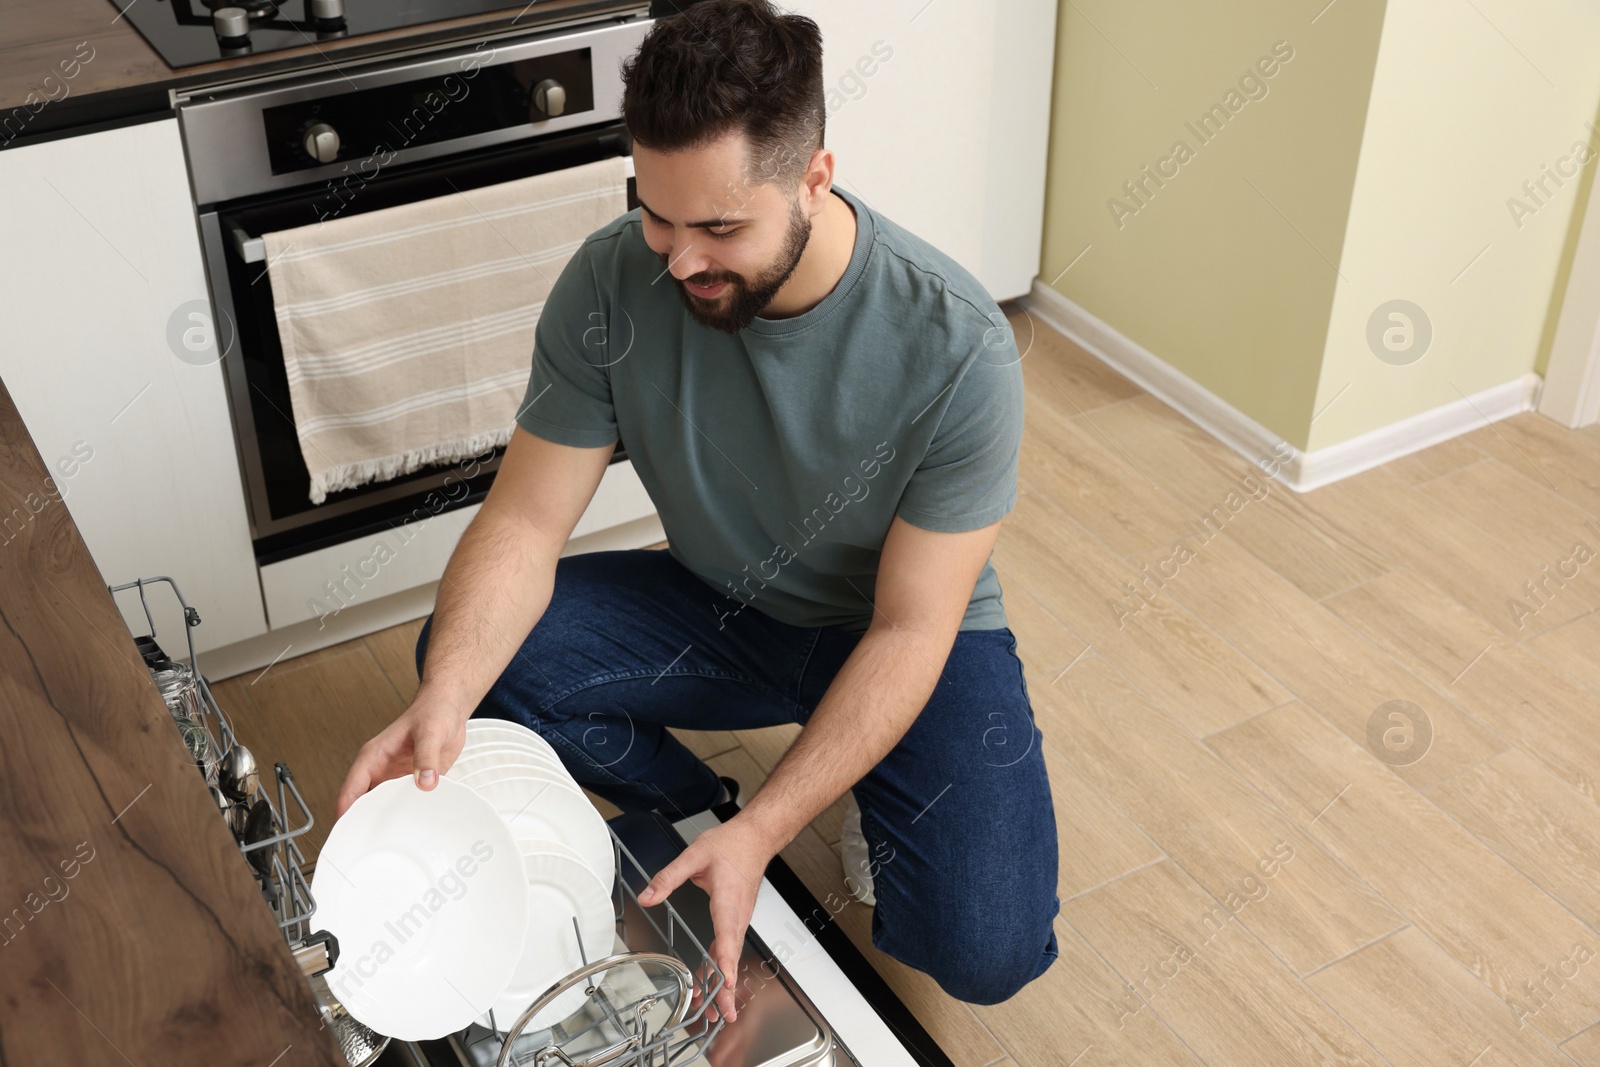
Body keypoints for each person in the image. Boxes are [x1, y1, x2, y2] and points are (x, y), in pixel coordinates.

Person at [335, 0, 1060, 1022]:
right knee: (476, 663)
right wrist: (445, 694)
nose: (678, 260)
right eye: (657, 215)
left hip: (901, 631)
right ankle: (698, 816)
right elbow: (524, 523)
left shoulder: (954, 345)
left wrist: (780, 824)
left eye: (720, 227)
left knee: (986, 948)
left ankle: (825, 798)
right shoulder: (608, 280)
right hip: (726, 607)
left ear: (815, 176)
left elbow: (911, 624)